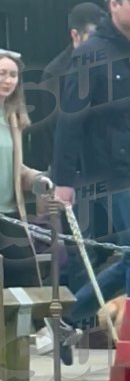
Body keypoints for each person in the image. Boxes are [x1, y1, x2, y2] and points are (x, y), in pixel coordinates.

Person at [51, 0, 130, 363]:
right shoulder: (90, 54)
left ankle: (68, 317)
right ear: (113, 5)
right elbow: (71, 119)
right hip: (113, 174)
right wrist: (64, 179)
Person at [37, 2, 107, 296]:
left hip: (107, 171)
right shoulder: (56, 74)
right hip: (72, 175)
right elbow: (50, 130)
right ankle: (77, 319)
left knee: (108, 246)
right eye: (93, 37)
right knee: (81, 252)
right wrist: (53, 181)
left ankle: (86, 311)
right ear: (75, 36)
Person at [0, 49, 51, 288]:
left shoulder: (12, 118)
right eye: (1, 73)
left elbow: (14, 167)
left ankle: (28, 326)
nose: (7, 80)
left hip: (10, 213)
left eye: (13, 75)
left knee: (26, 276)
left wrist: (38, 179)